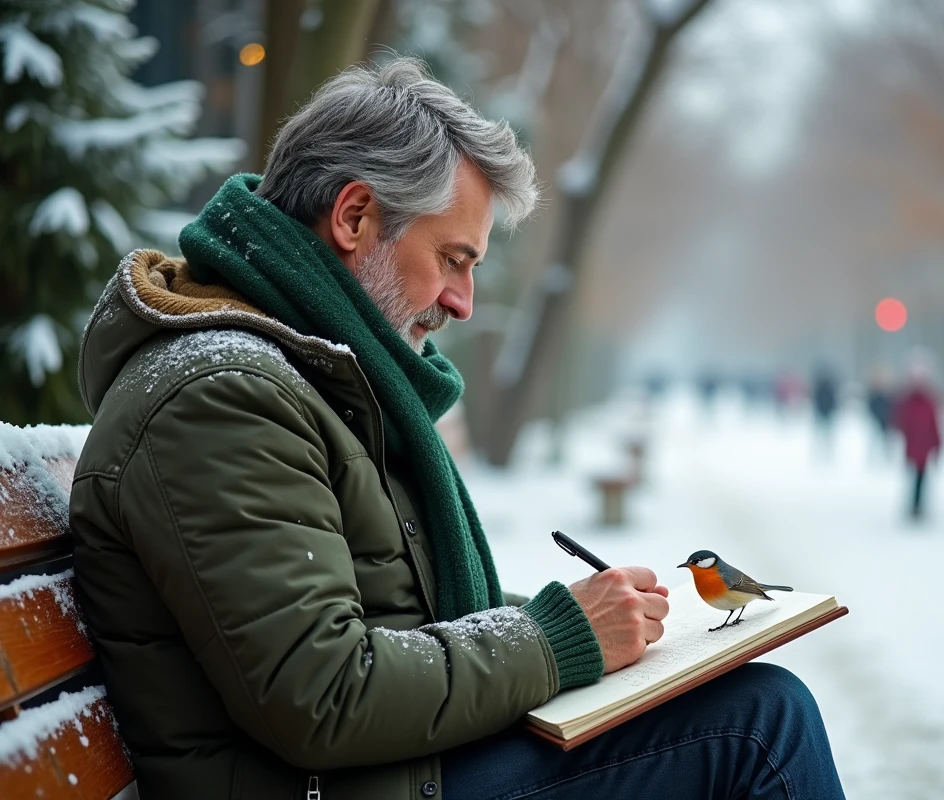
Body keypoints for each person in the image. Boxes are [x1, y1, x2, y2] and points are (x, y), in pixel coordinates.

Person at [67, 59, 844, 800]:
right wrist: (555, 638)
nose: (464, 301)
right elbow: (323, 696)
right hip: (347, 783)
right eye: (453, 258)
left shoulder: (310, 376)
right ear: (355, 215)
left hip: (394, 772)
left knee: (743, 705)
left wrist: (596, 629)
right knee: (759, 727)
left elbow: (390, 612)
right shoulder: (223, 396)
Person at [891, 356, 942, 520]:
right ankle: (914, 506)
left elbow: (935, 424)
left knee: (922, 477)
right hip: (912, 446)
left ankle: (918, 506)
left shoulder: (930, 400)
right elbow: (899, 422)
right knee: (914, 477)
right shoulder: (906, 401)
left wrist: (937, 443)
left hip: (924, 446)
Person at [865, 365, 894, 457]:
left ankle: (887, 455)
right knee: (874, 440)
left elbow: (891, 407)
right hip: (875, 420)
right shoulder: (873, 394)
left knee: (886, 440)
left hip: (885, 421)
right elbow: (870, 407)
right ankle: (872, 457)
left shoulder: (887, 394)